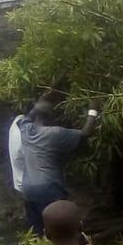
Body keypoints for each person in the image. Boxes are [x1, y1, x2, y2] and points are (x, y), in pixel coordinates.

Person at [18, 98, 99, 234]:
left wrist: (41, 102)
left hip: (29, 190)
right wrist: (93, 110)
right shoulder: (55, 134)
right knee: (60, 229)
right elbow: (85, 133)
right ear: (52, 116)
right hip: (50, 189)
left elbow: (30, 115)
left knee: (37, 229)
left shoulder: (25, 129)